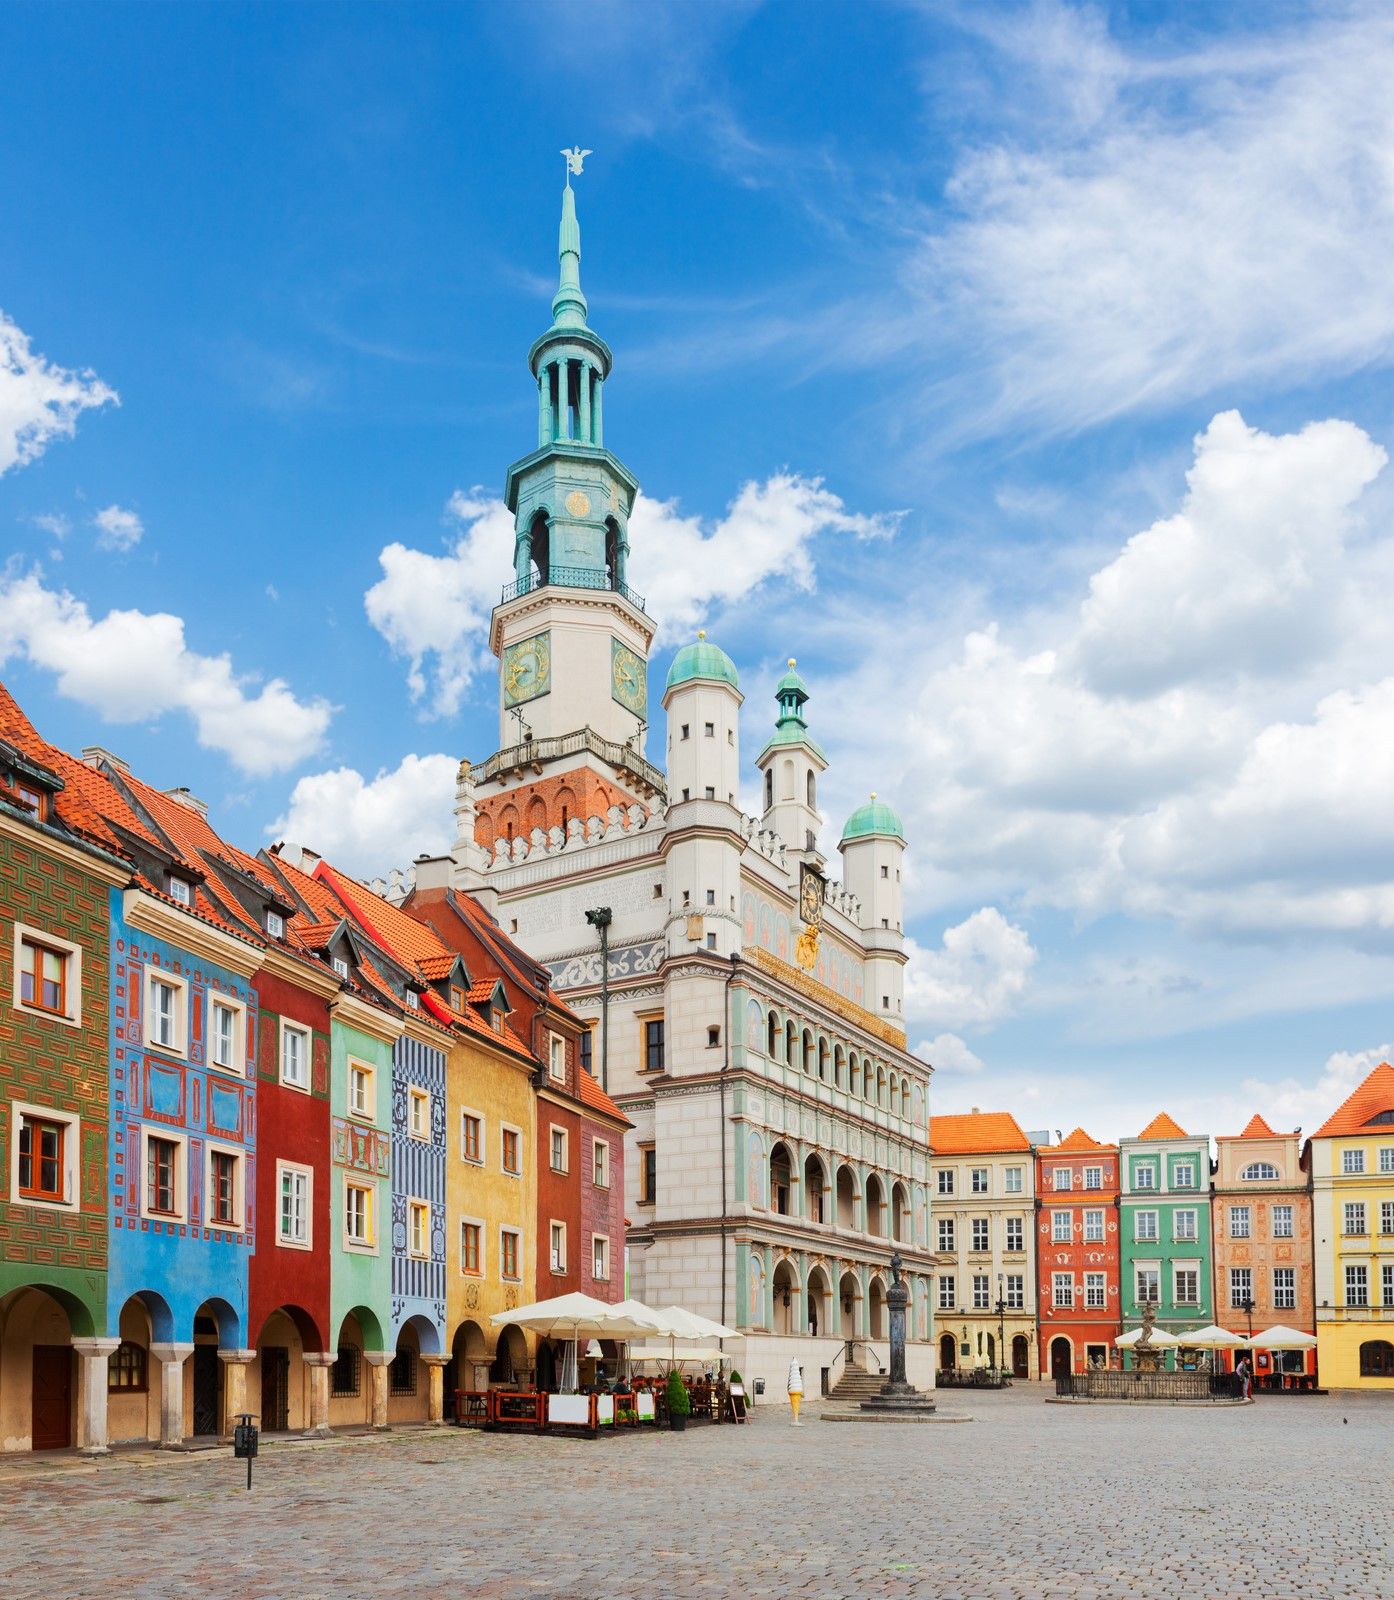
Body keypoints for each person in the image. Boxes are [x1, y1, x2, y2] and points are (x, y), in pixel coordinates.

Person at [787, 1356, 804, 1426]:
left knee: (795, 1405)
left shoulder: (792, 1370)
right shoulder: (796, 1371)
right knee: (796, 1405)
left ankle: (796, 1419)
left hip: (793, 1389)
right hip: (796, 1388)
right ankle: (796, 1419)